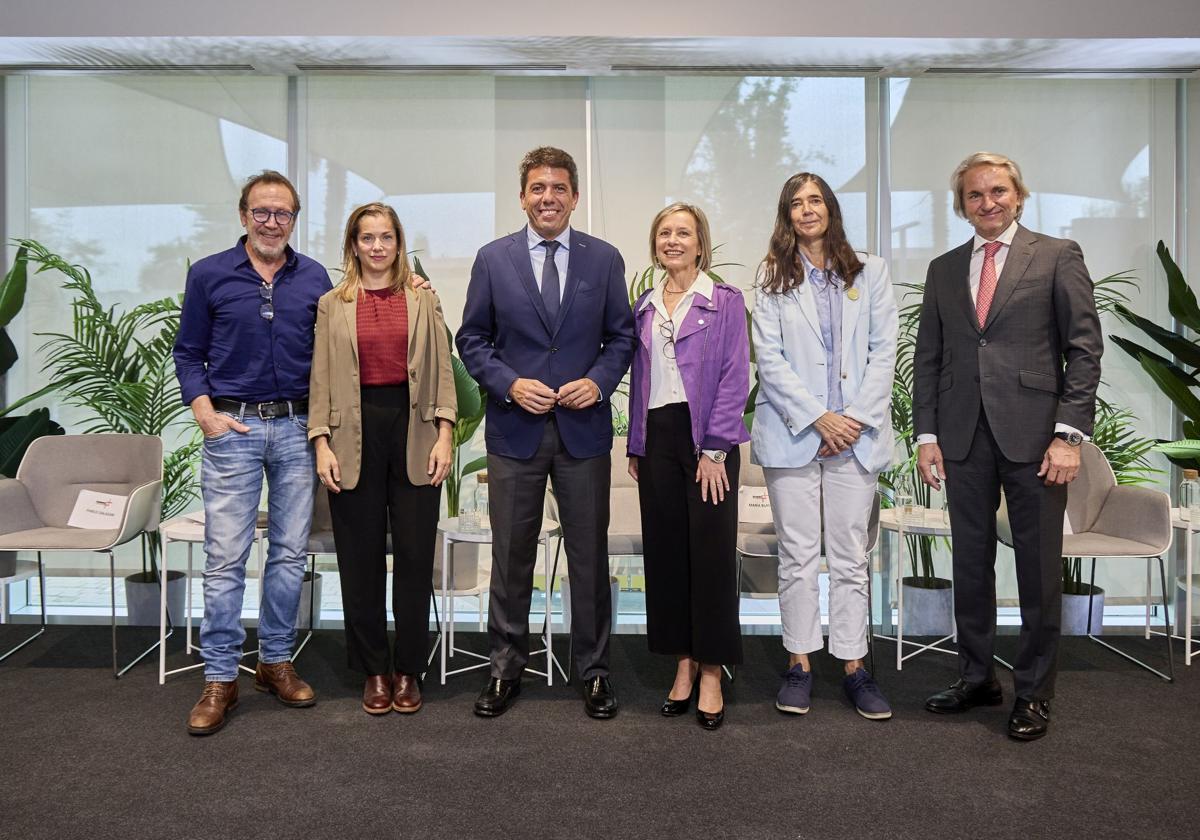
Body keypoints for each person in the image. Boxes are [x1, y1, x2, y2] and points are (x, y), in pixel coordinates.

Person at [914, 152, 1102, 741]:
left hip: (1038, 440)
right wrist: (926, 435)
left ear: (1019, 195)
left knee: (1038, 569)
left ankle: (1034, 692)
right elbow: (929, 359)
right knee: (970, 565)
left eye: (998, 191)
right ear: (961, 205)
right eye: (974, 195)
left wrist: (1069, 436)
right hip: (963, 436)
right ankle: (976, 678)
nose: (987, 202)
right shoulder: (944, 269)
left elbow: (1085, 349)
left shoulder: (1055, 256)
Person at [456, 146, 636, 719]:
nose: (548, 198)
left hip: (583, 431)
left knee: (587, 559)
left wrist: (600, 382)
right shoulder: (493, 259)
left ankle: (595, 673)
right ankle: (505, 670)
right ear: (523, 197)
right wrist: (510, 385)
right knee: (511, 560)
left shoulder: (603, 260)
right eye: (538, 188)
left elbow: (623, 338)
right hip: (516, 432)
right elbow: (473, 339)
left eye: (559, 188)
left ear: (575, 197)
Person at [174, 171, 331, 735]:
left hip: (295, 429)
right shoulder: (210, 274)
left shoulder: (314, 277)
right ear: (243, 215)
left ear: (294, 219)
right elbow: (188, 352)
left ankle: (274, 663)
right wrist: (203, 411)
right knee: (225, 560)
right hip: (232, 429)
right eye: (261, 212)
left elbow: (337, 350)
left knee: (289, 556)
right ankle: (220, 677)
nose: (272, 222)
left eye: (282, 213)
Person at [751, 172, 898, 721]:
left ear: (830, 208)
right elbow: (769, 358)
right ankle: (799, 664)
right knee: (796, 555)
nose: (806, 210)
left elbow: (884, 352)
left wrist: (852, 420)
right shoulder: (771, 276)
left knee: (850, 557)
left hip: (855, 438)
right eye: (796, 203)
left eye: (815, 200)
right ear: (786, 215)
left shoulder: (871, 271)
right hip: (795, 434)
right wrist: (818, 418)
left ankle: (855, 667)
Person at [307, 202, 457, 716]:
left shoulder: (421, 298)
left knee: (415, 559)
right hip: (352, 434)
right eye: (366, 237)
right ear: (353, 244)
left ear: (398, 243)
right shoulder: (333, 303)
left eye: (386, 237)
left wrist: (445, 434)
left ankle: (409, 669)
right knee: (360, 559)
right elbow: (322, 377)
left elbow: (441, 368)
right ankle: (374, 669)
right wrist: (321, 442)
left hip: (413, 431)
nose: (376, 247)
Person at [626, 203, 749, 731]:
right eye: (664, 233)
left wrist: (717, 448)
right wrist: (636, 444)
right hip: (658, 439)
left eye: (684, 233)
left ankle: (713, 672)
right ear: (655, 244)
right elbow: (638, 381)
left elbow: (733, 376)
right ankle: (682, 662)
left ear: (701, 244)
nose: (673, 240)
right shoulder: (644, 307)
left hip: (707, 442)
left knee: (711, 555)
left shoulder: (724, 303)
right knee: (667, 554)